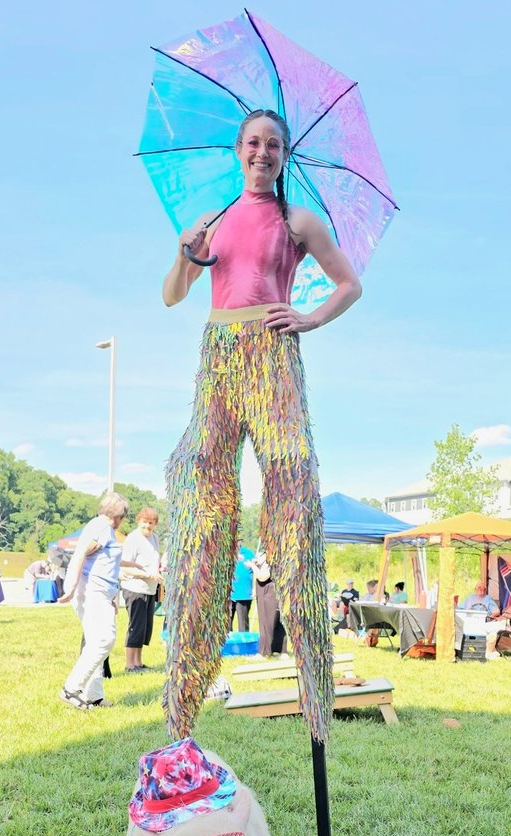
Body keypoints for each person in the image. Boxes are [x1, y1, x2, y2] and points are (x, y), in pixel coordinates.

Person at [161, 107, 361, 741]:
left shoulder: (297, 219)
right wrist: (184, 255)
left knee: (291, 488)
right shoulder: (212, 223)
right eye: (252, 142)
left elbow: (349, 285)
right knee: (202, 495)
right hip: (219, 357)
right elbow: (172, 294)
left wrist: (308, 318)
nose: (262, 152)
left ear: (284, 153)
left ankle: (312, 679)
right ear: (237, 149)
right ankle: (185, 690)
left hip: (273, 357)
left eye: (273, 144)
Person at [58, 491, 142, 710]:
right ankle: (71, 688)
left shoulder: (101, 528)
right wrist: (70, 587)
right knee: (103, 640)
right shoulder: (102, 527)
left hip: (101, 593)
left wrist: (131, 568)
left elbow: (104, 560)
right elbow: (79, 555)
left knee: (97, 642)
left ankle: (93, 695)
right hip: (92, 593)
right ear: (118, 516)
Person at [120, 507, 163, 674]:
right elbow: (126, 567)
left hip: (150, 589)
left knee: (145, 628)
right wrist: (147, 574)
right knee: (135, 626)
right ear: (139, 521)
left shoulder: (155, 539)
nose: (148, 526)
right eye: (145, 522)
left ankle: (138, 662)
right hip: (135, 588)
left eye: (151, 523)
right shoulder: (133, 539)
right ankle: (130, 664)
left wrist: (157, 573)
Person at [252, 551, 286, 657]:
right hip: (265, 594)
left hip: (268, 595)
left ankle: (265, 652)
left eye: (260, 555)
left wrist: (252, 566)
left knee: (267, 622)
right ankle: (278, 649)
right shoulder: (267, 562)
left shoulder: (270, 563)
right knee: (274, 623)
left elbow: (262, 576)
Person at [230, 543, 256, 632]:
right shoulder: (225, 551)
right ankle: (227, 645)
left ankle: (244, 645)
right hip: (228, 595)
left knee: (243, 626)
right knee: (226, 626)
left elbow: (255, 572)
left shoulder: (248, 554)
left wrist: (254, 589)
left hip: (243, 594)